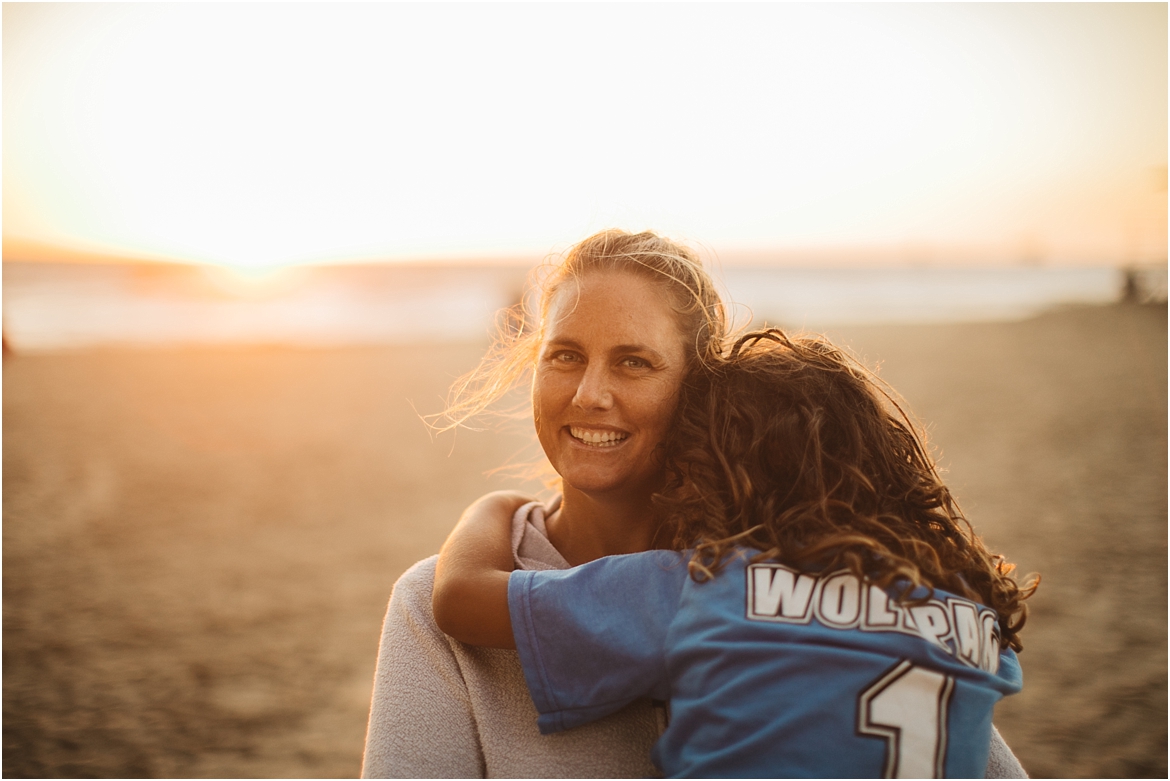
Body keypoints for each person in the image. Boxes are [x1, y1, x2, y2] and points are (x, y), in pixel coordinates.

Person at [360, 230, 1028, 778]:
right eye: (564, 354)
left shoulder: (712, 591)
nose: (590, 393)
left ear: (702, 391)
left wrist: (490, 507)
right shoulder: (921, 614)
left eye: (634, 362)